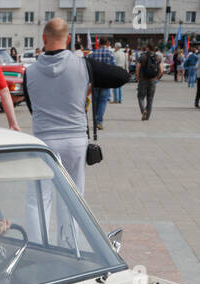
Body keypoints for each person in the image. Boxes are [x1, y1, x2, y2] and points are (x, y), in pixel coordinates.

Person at [23, 18, 127, 199]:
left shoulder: (30, 72)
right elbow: (122, 76)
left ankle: (38, 229)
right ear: (68, 38)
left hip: (44, 140)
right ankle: (70, 229)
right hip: (75, 140)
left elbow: (33, 106)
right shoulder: (84, 66)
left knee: (39, 199)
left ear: (43, 38)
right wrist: (89, 82)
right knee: (73, 198)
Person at [89, 37, 118, 129]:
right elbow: (114, 67)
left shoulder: (94, 53)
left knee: (95, 101)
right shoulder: (110, 53)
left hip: (96, 81)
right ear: (107, 44)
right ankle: (99, 121)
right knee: (103, 101)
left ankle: (95, 120)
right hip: (106, 81)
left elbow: (90, 67)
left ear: (99, 43)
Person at [135, 43, 162, 121]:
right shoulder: (158, 57)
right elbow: (161, 70)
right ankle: (147, 117)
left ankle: (143, 110)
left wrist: (138, 77)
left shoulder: (142, 57)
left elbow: (137, 68)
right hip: (153, 80)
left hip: (143, 80)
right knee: (150, 99)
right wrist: (157, 78)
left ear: (147, 48)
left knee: (140, 97)